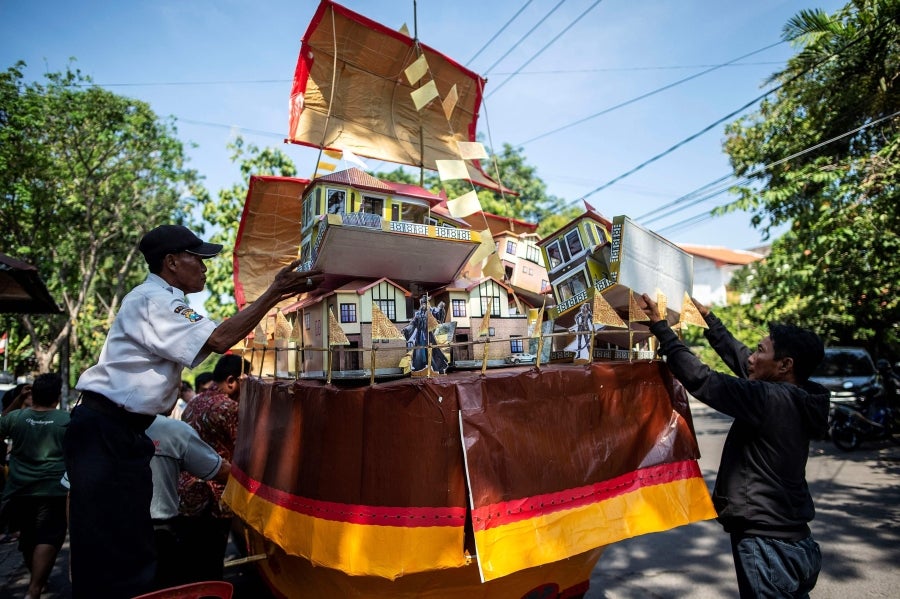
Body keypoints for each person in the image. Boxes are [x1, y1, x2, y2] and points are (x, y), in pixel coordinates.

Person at [64, 223, 324, 598]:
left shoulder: (164, 302)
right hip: (106, 431)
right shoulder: (155, 301)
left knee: (128, 541)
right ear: (171, 262)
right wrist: (275, 293)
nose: (205, 268)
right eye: (198, 259)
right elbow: (219, 339)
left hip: (121, 430)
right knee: (114, 550)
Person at [639, 293, 829, 598]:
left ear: (785, 365)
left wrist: (662, 329)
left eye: (760, 350)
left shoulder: (769, 400)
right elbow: (744, 361)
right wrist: (707, 320)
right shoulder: (797, 394)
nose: (751, 357)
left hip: (768, 548)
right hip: (796, 544)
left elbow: (703, 380)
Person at [177, 353, 250, 582]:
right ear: (231, 381)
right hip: (216, 496)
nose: (246, 389)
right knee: (212, 562)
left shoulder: (194, 402)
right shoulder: (230, 409)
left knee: (190, 562)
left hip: (187, 494)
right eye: (244, 382)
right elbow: (243, 455)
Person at [0, 373, 69, 599]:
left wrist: (19, 399)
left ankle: (36, 582)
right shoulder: (66, 421)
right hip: (53, 490)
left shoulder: (17, 418)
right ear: (57, 397)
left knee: (28, 538)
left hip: (20, 490)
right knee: (48, 537)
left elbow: (2, 422)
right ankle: (35, 586)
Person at [146, 413, 230, 589]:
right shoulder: (173, 430)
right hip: (161, 529)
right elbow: (220, 471)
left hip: (113, 533)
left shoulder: (98, 427)